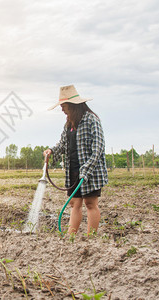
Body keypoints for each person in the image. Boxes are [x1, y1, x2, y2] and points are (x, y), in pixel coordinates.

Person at [43, 85, 108, 234]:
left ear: (73, 105)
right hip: (73, 169)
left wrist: (87, 168)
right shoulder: (69, 124)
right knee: (74, 203)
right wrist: (51, 151)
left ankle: (90, 238)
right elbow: (63, 144)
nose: (62, 109)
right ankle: (71, 237)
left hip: (89, 171)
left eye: (64, 106)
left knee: (90, 203)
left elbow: (98, 148)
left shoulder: (91, 120)